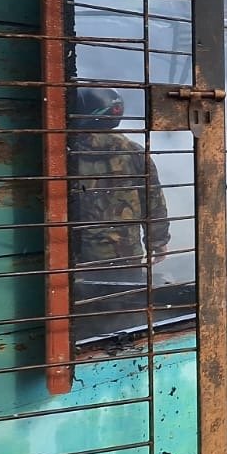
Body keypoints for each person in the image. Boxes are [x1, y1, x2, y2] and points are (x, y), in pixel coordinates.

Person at [68, 87, 170, 339]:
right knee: (124, 312)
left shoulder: (67, 154)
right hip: (128, 254)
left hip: (80, 257)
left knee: (83, 316)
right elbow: (154, 201)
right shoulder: (134, 151)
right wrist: (158, 242)